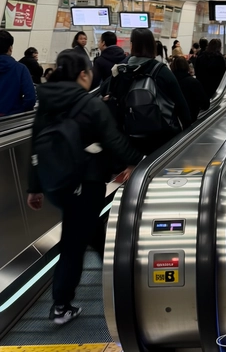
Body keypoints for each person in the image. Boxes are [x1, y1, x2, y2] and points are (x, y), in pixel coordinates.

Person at [27, 50, 141, 324]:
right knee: (74, 243)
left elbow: (35, 144)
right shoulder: (89, 104)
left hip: (57, 184)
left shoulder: (47, 102)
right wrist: (140, 163)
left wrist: (35, 187)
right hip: (85, 182)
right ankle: (61, 305)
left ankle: (125, 284)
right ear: (82, 74)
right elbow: (113, 139)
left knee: (90, 233)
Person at [102, 27, 191, 156]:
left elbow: (109, 95)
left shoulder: (122, 72)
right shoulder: (161, 71)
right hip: (163, 138)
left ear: (132, 45)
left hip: (133, 139)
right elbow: (182, 106)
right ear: (152, 46)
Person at [0, 30, 36, 116]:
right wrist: (19, 111)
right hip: (10, 121)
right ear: (10, 48)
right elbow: (30, 98)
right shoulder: (20, 69)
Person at [170, 55, 210, 120]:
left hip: (174, 121)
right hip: (191, 119)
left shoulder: (170, 82)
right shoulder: (193, 82)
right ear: (186, 66)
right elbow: (205, 104)